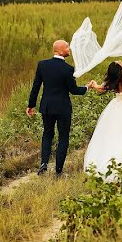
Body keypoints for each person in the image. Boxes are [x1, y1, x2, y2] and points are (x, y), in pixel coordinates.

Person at [26, 39, 91, 176]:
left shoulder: (42, 65)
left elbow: (36, 86)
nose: (69, 48)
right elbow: (73, 90)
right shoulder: (68, 69)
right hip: (63, 108)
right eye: (67, 47)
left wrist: (31, 104)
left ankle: (44, 164)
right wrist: (87, 87)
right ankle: (58, 170)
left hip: (47, 107)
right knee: (63, 137)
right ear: (60, 50)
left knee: (47, 134)